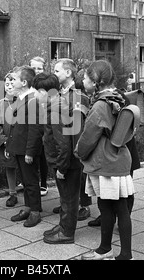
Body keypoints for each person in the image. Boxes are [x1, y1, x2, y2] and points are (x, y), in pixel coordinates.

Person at [75, 60, 135, 260]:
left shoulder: (101, 104)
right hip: (118, 159)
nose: (83, 80)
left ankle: (124, 254)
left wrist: (78, 152)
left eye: (85, 77)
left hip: (105, 162)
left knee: (116, 208)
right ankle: (105, 249)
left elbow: (89, 135)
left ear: (95, 81)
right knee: (109, 206)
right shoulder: (119, 97)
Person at [32, 73, 82, 244]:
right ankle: (63, 225)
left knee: (68, 198)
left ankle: (67, 233)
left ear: (46, 92)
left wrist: (61, 167)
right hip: (65, 162)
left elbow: (63, 143)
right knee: (65, 197)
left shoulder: (56, 108)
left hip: (66, 164)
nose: (35, 95)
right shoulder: (55, 103)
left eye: (36, 91)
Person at [87, 88, 141, 227]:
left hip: (122, 148)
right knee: (106, 190)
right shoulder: (103, 97)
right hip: (112, 150)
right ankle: (107, 216)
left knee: (124, 193)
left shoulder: (118, 96)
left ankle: (124, 219)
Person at [52, 59, 91, 222]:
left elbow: (78, 129)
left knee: (79, 177)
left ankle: (83, 206)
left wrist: (76, 152)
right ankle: (67, 204)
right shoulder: (61, 93)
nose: (54, 74)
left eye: (57, 71)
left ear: (68, 73)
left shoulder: (77, 96)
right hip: (63, 144)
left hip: (74, 146)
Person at [6, 66, 44, 228]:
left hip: (27, 150)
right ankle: (28, 207)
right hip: (19, 148)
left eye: (14, 80)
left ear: (24, 82)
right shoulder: (21, 98)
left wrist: (30, 151)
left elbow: (35, 130)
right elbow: (16, 127)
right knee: (25, 179)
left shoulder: (33, 100)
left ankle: (35, 211)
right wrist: (10, 147)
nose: (11, 83)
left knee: (31, 181)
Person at [0, 72, 19, 207]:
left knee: (26, 167)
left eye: (12, 84)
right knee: (10, 166)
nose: (9, 87)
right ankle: (12, 193)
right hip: (8, 141)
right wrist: (4, 142)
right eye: (7, 84)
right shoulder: (1, 103)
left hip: (22, 141)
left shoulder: (23, 101)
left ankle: (30, 192)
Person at [29, 56, 49, 196]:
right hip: (28, 123)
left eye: (39, 68)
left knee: (42, 154)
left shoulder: (46, 85)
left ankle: (43, 183)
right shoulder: (26, 84)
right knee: (29, 152)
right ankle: (29, 181)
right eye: (33, 68)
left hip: (43, 122)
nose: (36, 71)